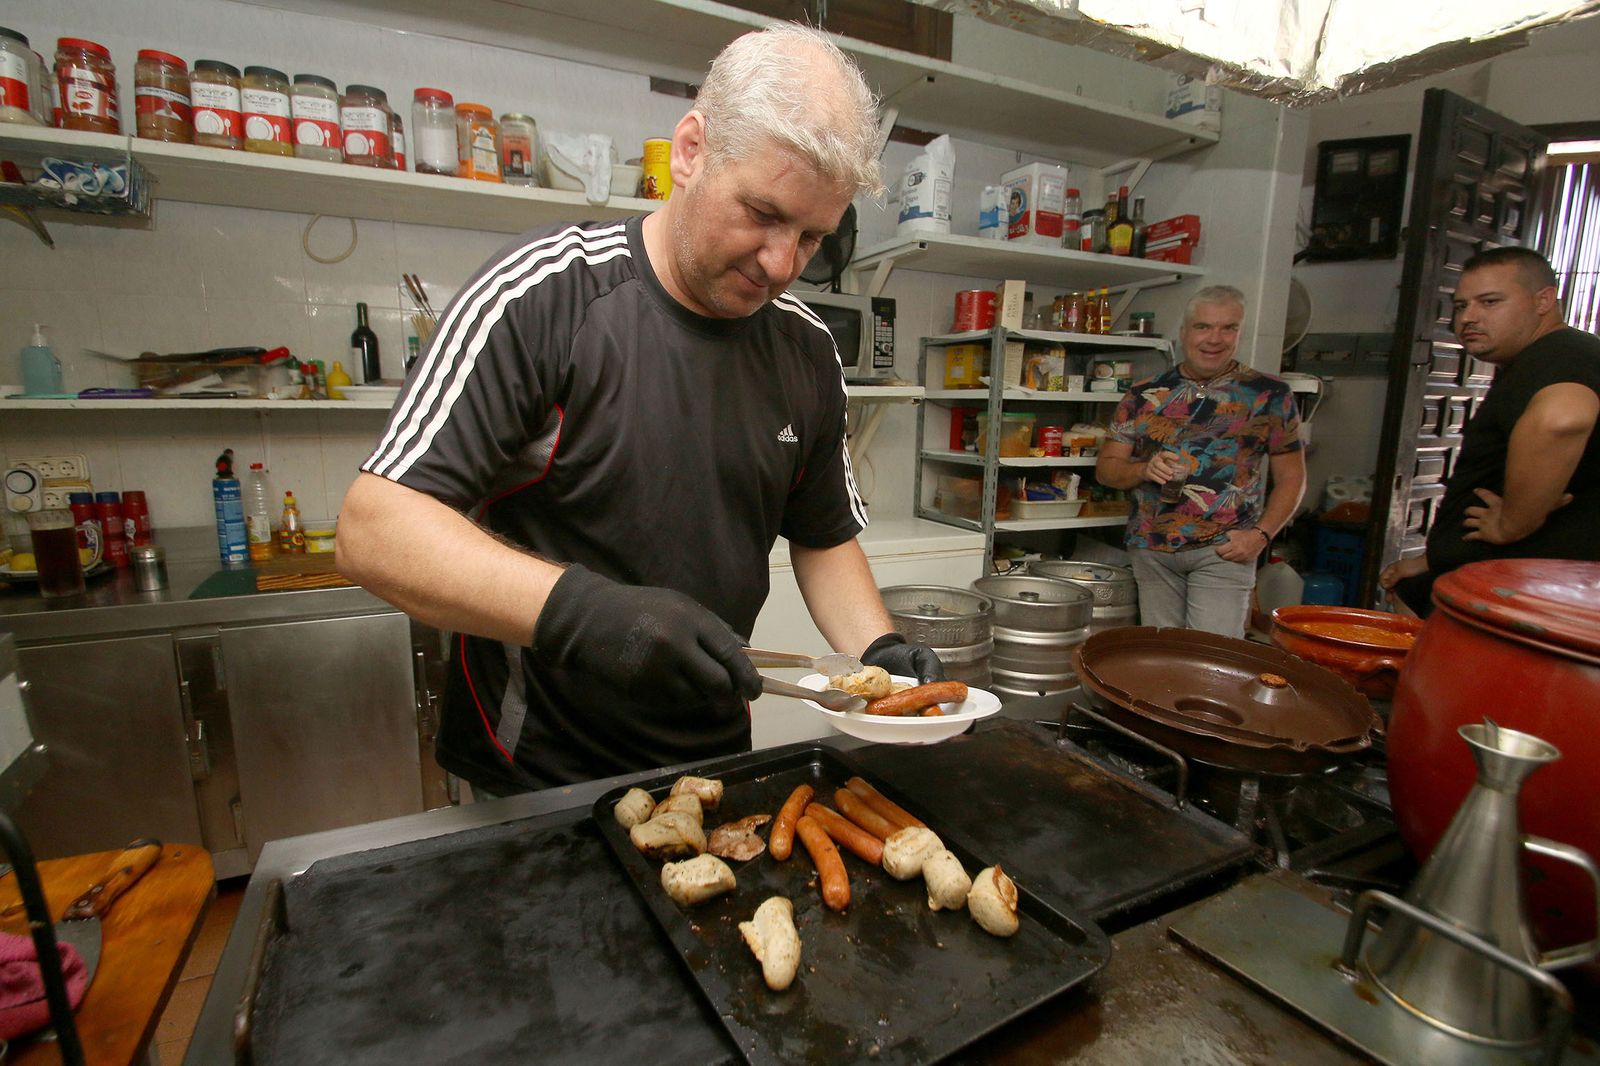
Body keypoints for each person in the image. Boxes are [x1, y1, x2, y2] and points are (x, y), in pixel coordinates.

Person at [337, 25, 944, 797]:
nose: (782, 264)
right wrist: (585, 613)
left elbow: (823, 537)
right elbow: (374, 529)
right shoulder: (545, 295)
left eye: (812, 237)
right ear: (690, 151)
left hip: (712, 758)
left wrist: (879, 650)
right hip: (535, 771)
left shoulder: (807, 350)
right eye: (762, 212)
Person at [1379, 247, 1600, 615]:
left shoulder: (1559, 353)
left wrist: (1512, 523)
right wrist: (1436, 560)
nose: (1468, 318)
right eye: (1462, 305)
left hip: (1531, 596)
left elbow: (1562, 420)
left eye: (1490, 302)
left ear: (1544, 301)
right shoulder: (1542, 359)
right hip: (1499, 579)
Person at [1094, 285, 1307, 636]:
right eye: (1203, 327)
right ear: (1184, 333)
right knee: (1163, 658)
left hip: (1224, 550)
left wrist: (1260, 536)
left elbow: (1292, 478)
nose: (1215, 339)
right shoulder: (1143, 394)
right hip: (1152, 550)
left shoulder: (1269, 395)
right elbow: (1107, 470)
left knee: (1212, 661)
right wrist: (1142, 469)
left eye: (1228, 328)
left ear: (1240, 333)